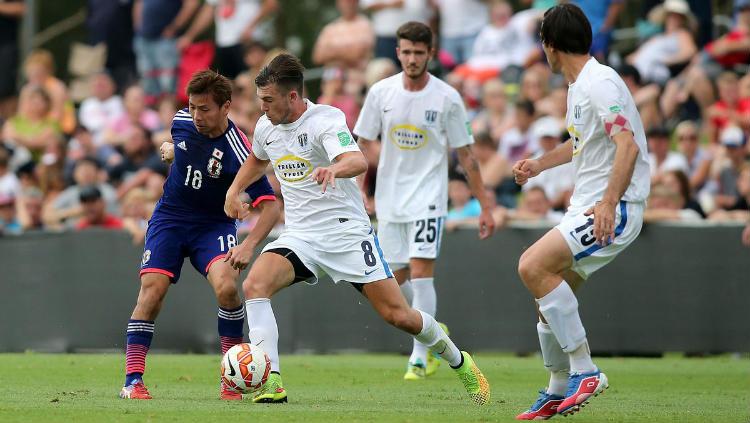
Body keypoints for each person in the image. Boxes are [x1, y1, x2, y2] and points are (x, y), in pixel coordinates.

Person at [223, 52, 490, 405]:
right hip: (301, 236)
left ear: (292, 96)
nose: (263, 108)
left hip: (346, 232)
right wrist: (233, 189)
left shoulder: (324, 121)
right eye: (260, 101)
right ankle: (271, 379)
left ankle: (460, 361)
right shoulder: (266, 126)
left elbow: (357, 159)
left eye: (269, 101)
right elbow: (258, 159)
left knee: (399, 316)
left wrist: (335, 169)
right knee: (256, 285)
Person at [512, 4, 650, 419]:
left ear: (550, 45)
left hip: (614, 206)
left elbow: (626, 143)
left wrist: (608, 202)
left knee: (531, 266)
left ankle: (586, 370)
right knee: (547, 295)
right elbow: (579, 145)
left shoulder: (600, 82)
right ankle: (557, 388)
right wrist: (539, 164)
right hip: (586, 205)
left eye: (542, 44)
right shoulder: (579, 87)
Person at [119, 70, 280, 401]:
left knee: (227, 289)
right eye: (192, 107)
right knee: (152, 292)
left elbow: (270, 207)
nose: (196, 116)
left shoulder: (239, 148)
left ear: (225, 107)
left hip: (213, 225)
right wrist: (172, 151)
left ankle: (231, 380)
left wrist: (250, 245)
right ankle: (133, 381)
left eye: (205, 109)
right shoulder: (180, 122)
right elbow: (187, 150)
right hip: (170, 219)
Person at [353, 22, 495, 380]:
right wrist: (360, 189)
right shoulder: (381, 93)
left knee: (420, 273)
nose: (413, 59)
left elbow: (467, 154)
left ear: (430, 54)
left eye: (419, 52)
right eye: (407, 52)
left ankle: (419, 356)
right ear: (397, 52)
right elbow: (363, 142)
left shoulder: (447, 97)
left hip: (430, 197)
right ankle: (433, 329)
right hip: (389, 199)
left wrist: (485, 205)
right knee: (393, 280)